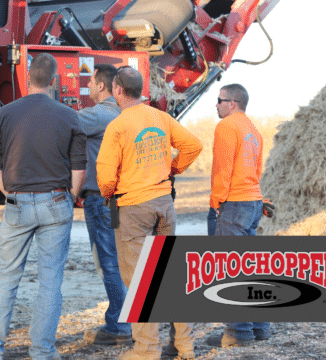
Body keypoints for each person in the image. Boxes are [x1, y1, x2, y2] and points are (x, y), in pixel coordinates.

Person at [0, 53, 86, 360]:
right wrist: (69, 197)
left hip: (17, 203)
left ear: (27, 78)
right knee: (50, 282)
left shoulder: (4, 115)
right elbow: (79, 167)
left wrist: (10, 191)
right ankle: (43, 352)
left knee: (5, 279)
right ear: (54, 81)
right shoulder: (69, 115)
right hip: (56, 202)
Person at [96, 66, 203, 360]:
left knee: (138, 281)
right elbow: (194, 145)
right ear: (141, 89)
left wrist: (109, 194)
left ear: (117, 89)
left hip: (133, 207)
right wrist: (172, 169)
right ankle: (186, 345)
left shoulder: (117, 126)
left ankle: (146, 351)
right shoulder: (161, 118)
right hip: (164, 204)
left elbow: (105, 177)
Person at [206, 83, 270, 347]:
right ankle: (259, 328)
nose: (216, 105)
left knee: (230, 268)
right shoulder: (253, 130)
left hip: (234, 203)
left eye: (219, 100)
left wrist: (216, 202)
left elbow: (223, 168)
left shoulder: (226, 126)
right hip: (253, 202)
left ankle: (238, 333)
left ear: (232, 103)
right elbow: (255, 171)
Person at [77, 63, 133, 346]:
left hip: (102, 200)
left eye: (88, 83)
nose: (86, 88)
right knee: (122, 261)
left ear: (101, 86)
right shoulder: (130, 114)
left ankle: (118, 327)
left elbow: (63, 122)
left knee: (108, 262)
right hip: (126, 199)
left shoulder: (100, 114)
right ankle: (127, 322)